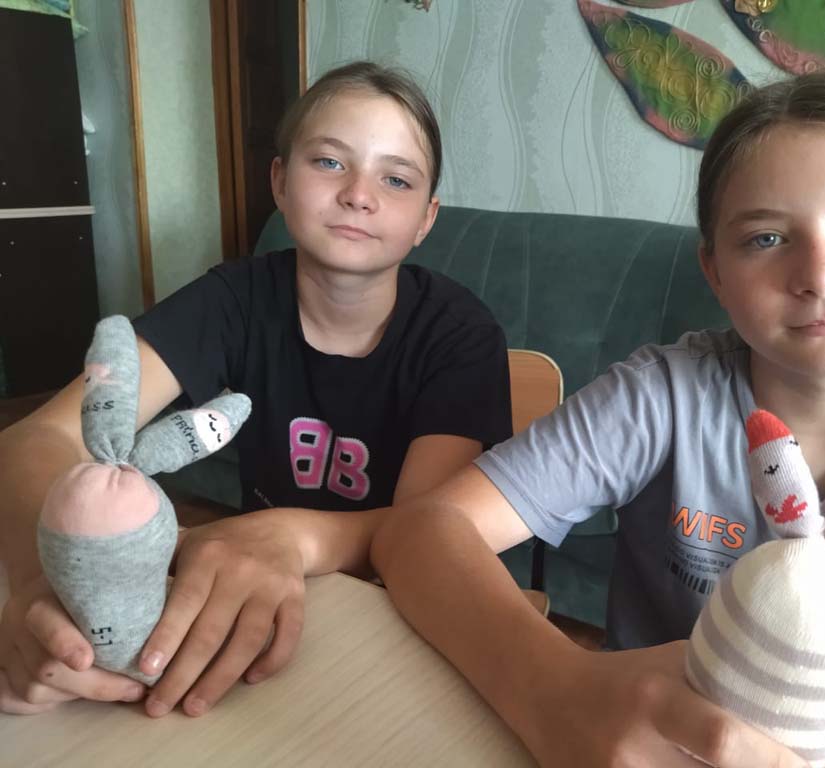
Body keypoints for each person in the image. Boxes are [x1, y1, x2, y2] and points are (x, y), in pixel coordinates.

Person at [353, 73, 825, 767]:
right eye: (766, 237)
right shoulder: (662, 397)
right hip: (657, 738)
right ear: (716, 271)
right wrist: (553, 687)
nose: (821, 274)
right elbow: (423, 531)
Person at [0, 61, 511, 718]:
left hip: (399, 617)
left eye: (396, 178)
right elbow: (40, 437)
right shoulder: (234, 300)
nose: (359, 194)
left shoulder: (460, 333)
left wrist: (287, 534)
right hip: (252, 597)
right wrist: (39, 585)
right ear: (279, 181)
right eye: (329, 162)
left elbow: (428, 533)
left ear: (426, 218)